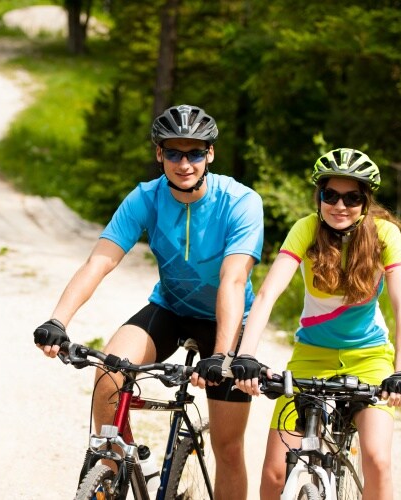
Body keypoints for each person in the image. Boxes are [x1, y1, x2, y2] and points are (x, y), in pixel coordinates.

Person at [33, 104, 264, 500]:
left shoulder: (240, 202)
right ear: (160, 154)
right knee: (108, 373)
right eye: (174, 152)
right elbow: (99, 262)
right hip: (171, 309)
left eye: (194, 152)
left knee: (228, 447)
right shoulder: (146, 197)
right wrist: (57, 320)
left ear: (210, 154)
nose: (184, 163)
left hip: (226, 323)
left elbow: (233, 279)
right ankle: (116, 473)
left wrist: (223, 356)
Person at [229, 148, 401, 500]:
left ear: (365, 201)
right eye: (330, 195)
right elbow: (268, 294)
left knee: (377, 460)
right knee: (273, 472)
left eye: (352, 198)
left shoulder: (385, 235)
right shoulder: (307, 229)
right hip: (311, 354)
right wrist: (246, 355)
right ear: (319, 196)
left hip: (370, 358)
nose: (340, 205)